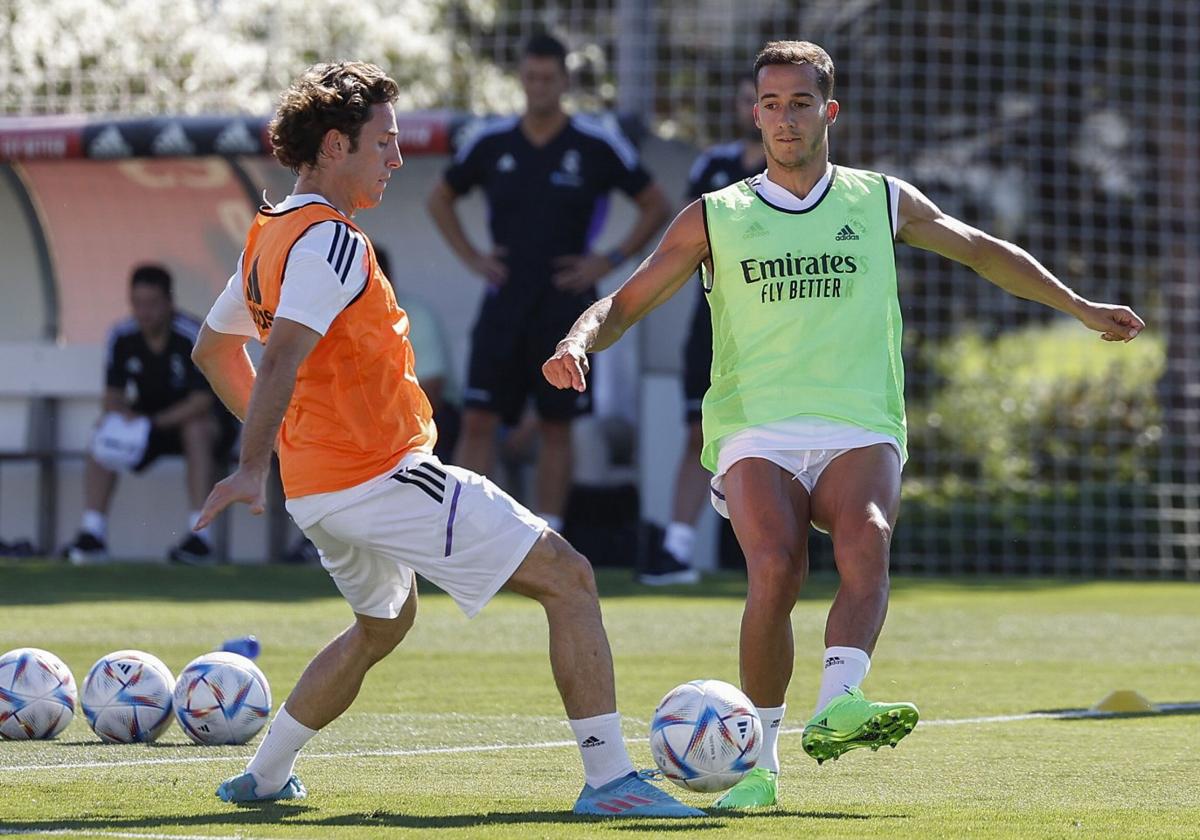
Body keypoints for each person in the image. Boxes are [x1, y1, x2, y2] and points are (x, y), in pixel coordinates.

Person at [544, 40, 1145, 809]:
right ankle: (759, 767)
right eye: (770, 104)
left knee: (869, 533)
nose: (784, 119)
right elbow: (625, 302)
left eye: (799, 103)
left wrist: (1082, 307)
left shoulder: (880, 199)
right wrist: (577, 340)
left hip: (858, 417)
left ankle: (838, 702)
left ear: (829, 111)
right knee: (776, 569)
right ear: (754, 113)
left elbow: (983, 252)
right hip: (755, 424)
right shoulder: (717, 216)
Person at [189, 60, 701, 818]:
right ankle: (611, 783)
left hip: (325, 492)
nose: (397, 159)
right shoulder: (330, 243)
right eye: (384, 143)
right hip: (381, 477)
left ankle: (263, 775)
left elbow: (214, 349)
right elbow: (283, 357)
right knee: (570, 576)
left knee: (382, 624)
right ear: (334, 145)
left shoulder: (269, 234)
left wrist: (283, 450)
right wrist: (250, 463)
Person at [427, 33, 670, 532]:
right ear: (521, 78)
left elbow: (656, 204)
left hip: (565, 305)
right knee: (478, 418)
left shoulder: (595, 143)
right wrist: (474, 256)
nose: (539, 87)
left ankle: (550, 532)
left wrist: (608, 260)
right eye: (531, 77)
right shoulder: (492, 142)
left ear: (564, 80)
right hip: (504, 303)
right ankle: (469, 533)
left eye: (548, 78)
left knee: (558, 425)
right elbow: (439, 199)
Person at [639, 74, 765, 586]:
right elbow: (691, 246)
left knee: (772, 438)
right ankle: (676, 549)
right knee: (700, 432)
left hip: (777, 333)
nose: (760, 111)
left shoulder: (803, 179)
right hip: (712, 328)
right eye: (751, 100)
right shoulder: (712, 168)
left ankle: (776, 554)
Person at [61, 264, 235, 566]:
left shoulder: (191, 334)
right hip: (148, 425)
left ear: (169, 302)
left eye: (152, 304)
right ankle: (92, 534)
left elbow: (201, 402)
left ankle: (199, 537)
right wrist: (122, 417)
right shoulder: (122, 335)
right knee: (104, 430)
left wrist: (149, 424)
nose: (145, 313)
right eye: (138, 304)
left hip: (201, 426)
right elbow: (112, 397)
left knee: (196, 429)